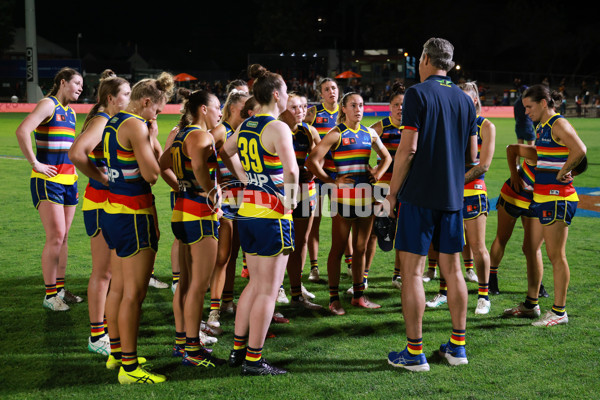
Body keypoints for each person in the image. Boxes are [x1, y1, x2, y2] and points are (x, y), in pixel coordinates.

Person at [384, 38, 477, 371]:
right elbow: (472, 156)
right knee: (454, 272)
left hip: (419, 197)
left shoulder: (417, 93)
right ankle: (458, 347)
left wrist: (393, 193)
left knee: (412, 273)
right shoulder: (466, 101)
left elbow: (408, 149)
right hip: (452, 197)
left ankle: (414, 353)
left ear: (425, 59)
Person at [221, 64, 298, 376]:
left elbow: (225, 151)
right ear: (277, 95)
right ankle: (254, 359)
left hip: (248, 213)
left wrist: (246, 179)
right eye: (287, 92)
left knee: (254, 285)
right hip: (271, 216)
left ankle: (239, 350)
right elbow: (292, 171)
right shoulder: (277, 128)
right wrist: (290, 203)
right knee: (268, 288)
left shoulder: (247, 125)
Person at [100, 72, 174, 384]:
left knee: (118, 287)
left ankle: (116, 353)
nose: (157, 115)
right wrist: (153, 137)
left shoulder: (114, 120)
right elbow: (152, 175)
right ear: (146, 103)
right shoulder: (135, 124)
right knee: (134, 294)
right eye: (157, 110)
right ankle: (130, 368)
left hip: (113, 211)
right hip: (134, 214)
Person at [306, 92, 391, 315]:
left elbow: (387, 157)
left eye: (361, 105)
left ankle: (358, 296)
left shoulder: (370, 133)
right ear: (343, 109)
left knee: (361, 250)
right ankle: (334, 299)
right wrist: (332, 180)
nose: (358, 109)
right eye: (353, 105)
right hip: (343, 201)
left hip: (366, 199)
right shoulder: (336, 134)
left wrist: (378, 172)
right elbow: (312, 161)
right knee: (337, 249)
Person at [508, 85, 586, 327]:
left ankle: (559, 312)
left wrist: (565, 171)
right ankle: (531, 305)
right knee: (532, 249)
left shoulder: (556, 123)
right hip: (543, 198)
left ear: (544, 103)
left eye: (529, 107)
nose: (526, 112)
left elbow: (581, 150)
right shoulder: (541, 126)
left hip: (557, 198)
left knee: (556, 255)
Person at [160, 89, 225, 368]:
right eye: (217, 106)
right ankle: (193, 350)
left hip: (181, 211)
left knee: (185, 284)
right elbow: (200, 166)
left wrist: (181, 188)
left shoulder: (179, 136)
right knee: (199, 286)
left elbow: (162, 165)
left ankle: (181, 343)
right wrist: (212, 193)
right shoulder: (201, 135)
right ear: (203, 109)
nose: (220, 112)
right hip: (200, 215)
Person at [69, 75, 131, 355]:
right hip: (99, 203)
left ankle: (106, 327)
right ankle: (96, 336)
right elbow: (76, 153)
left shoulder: (112, 121)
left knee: (114, 272)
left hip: (110, 203)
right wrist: (102, 179)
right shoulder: (102, 121)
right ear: (110, 98)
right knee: (104, 272)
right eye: (126, 94)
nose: (129, 99)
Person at [15, 67, 84, 311]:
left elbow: (67, 147)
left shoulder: (72, 113)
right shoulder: (49, 104)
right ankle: (49, 295)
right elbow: (22, 130)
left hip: (69, 181)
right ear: (63, 82)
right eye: (77, 83)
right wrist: (35, 163)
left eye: (82, 85)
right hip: (47, 181)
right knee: (55, 236)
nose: (80, 88)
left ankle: (60, 290)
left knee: (64, 238)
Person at [205, 89, 250, 332]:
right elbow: (203, 152)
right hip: (227, 200)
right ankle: (214, 309)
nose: (249, 110)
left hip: (248, 199)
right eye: (245, 106)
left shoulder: (247, 129)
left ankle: (228, 301)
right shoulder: (222, 130)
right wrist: (214, 183)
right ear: (233, 108)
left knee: (239, 254)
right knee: (223, 256)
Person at [304, 78, 353, 282]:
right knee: (313, 222)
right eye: (327, 89)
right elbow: (302, 136)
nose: (331, 91)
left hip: (338, 176)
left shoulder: (345, 113)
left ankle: (350, 263)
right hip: (318, 177)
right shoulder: (314, 114)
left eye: (333, 88)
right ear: (321, 94)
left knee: (342, 222)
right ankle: (314, 268)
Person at [284, 92, 322, 310]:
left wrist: (313, 172)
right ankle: (280, 286)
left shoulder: (308, 130)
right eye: (294, 107)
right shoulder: (277, 128)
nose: (300, 111)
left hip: (305, 192)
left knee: (301, 241)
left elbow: (321, 154)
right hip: (282, 192)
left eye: (303, 107)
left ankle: (297, 290)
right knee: (283, 243)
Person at [365, 82, 404, 290]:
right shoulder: (380, 127)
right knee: (373, 232)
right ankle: (363, 277)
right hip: (382, 187)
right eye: (396, 104)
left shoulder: (413, 127)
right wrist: (371, 169)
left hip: (406, 187)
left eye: (403, 105)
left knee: (401, 232)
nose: (400, 108)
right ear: (390, 107)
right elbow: (360, 146)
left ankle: (397, 276)